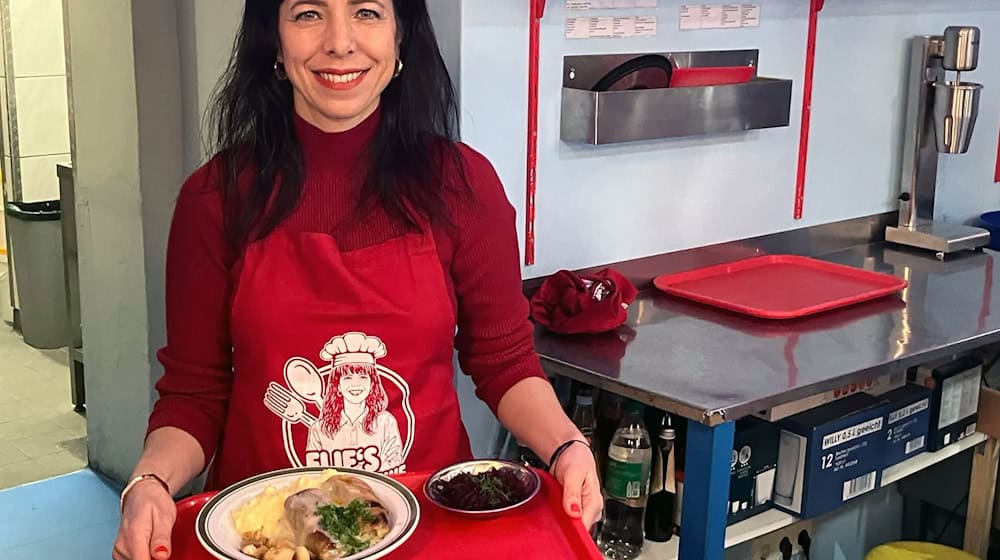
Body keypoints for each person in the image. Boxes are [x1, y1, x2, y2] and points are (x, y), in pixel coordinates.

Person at [112, 1, 601, 559]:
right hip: (262, 535)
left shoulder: (465, 187)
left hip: (427, 530)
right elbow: (194, 394)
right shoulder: (214, 199)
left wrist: (566, 448)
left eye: (367, 11)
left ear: (401, 39)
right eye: (308, 14)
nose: (340, 42)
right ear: (273, 41)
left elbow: (505, 360)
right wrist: (148, 484)